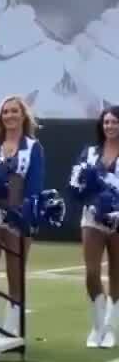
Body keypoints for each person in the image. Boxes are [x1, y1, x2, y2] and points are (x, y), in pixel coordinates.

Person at [0, 95, 43, 336]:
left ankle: (12, 324)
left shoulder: (33, 147)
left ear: (23, 115)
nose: (10, 116)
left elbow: (35, 184)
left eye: (14, 111)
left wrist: (25, 212)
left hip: (18, 217)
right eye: (5, 112)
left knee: (15, 273)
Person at [68, 106, 119, 348]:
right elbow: (75, 182)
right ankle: (97, 326)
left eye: (115, 122)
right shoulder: (89, 153)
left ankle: (110, 328)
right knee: (91, 273)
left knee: (117, 274)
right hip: (92, 218)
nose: (110, 126)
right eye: (106, 122)